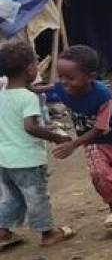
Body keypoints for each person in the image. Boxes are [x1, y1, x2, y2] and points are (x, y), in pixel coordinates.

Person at [47, 45, 112, 230]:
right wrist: (31, 88)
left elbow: (100, 128)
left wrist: (73, 144)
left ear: (90, 77)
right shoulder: (63, 88)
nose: (64, 82)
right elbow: (51, 88)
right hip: (91, 142)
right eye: (61, 76)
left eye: (70, 78)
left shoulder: (102, 95)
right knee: (99, 174)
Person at [0, 42, 75, 249]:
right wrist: (56, 137)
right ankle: (47, 232)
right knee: (37, 196)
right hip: (27, 159)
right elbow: (30, 127)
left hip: (4, 160)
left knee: (12, 197)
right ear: (31, 69)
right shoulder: (28, 98)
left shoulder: (3, 94)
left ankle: (3, 232)